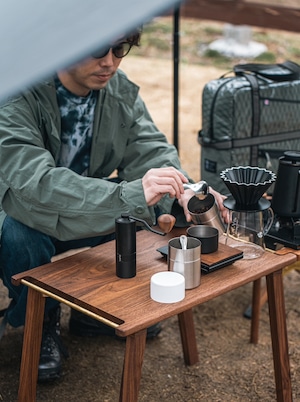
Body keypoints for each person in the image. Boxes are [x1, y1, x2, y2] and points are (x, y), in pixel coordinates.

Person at [0, 28, 227, 381]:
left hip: (84, 203)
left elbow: (150, 149)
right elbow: (35, 185)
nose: (109, 62)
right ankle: (40, 324)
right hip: (22, 206)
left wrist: (187, 190)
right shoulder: (16, 91)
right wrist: (132, 194)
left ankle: (94, 314)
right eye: (95, 50)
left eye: (120, 49)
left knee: (144, 207)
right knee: (18, 234)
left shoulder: (118, 89)